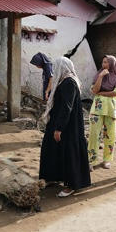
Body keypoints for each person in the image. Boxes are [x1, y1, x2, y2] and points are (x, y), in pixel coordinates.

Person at [39, 57, 91, 197]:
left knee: (69, 153)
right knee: (51, 147)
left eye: (56, 68)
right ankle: (52, 176)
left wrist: (59, 128)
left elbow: (66, 108)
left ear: (62, 67)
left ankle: (72, 184)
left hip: (68, 125)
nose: (54, 71)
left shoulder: (69, 82)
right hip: (58, 121)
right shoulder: (64, 80)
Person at [88, 55, 116, 170]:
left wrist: (102, 94)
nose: (104, 65)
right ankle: (91, 161)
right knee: (93, 136)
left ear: (112, 64)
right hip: (97, 110)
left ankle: (107, 160)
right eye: (103, 62)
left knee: (110, 136)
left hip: (111, 110)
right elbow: (94, 90)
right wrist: (101, 77)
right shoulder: (98, 75)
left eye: (106, 62)